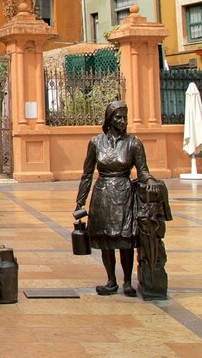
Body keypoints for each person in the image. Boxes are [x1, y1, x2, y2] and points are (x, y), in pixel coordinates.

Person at [75, 100, 153, 296]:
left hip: (124, 192)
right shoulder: (96, 142)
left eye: (125, 117)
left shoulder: (134, 143)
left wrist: (150, 180)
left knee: (125, 238)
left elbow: (142, 171)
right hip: (102, 193)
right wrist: (80, 201)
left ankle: (127, 282)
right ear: (109, 120)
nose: (123, 121)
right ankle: (111, 280)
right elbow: (87, 173)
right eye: (118, 117)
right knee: (106, 240)